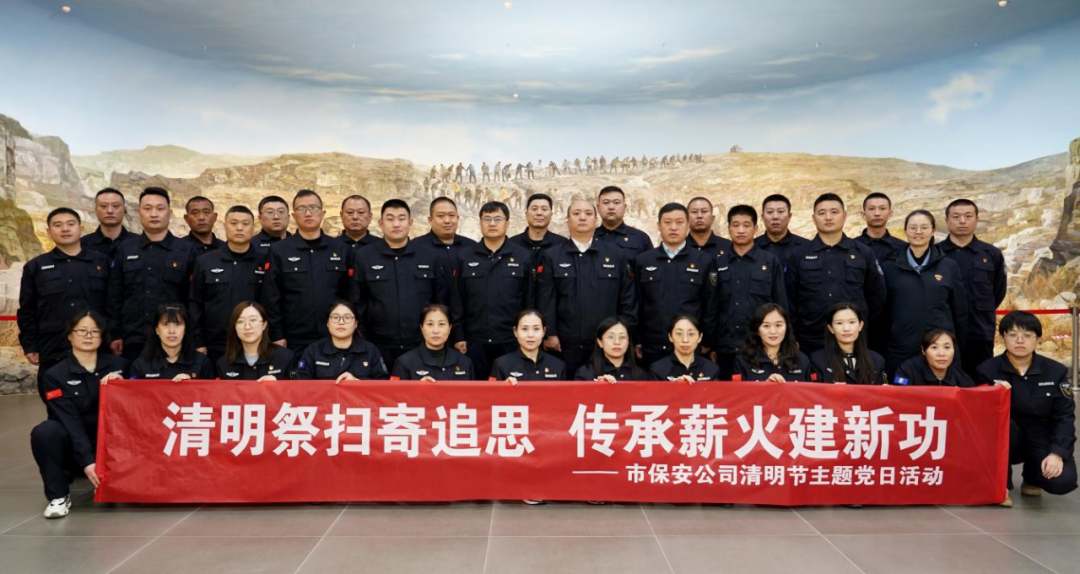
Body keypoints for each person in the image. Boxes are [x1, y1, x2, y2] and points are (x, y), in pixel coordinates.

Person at [30, 310, 127, 518]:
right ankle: (58, 497)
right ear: (69, 335)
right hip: (76, 446)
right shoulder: (55, 375)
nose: (88, 336)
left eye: (94, 331)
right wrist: (88, 461)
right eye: (82, 331)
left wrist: (125, 384)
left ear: (102, 335)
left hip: (113, 444)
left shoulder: (119, 366)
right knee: (45, 432)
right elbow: (69, 421)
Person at [976, 311, 1076, 503]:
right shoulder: (987, 370)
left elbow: (1064, 417)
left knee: (1062, 481)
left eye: (1027, 335)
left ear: (1038, 339)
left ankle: (1032, 475)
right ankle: (1000, 483)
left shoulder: (1055, 372)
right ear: (1003, 337)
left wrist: (1057, 454)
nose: (1020, 341)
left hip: (1040, 437)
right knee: (1002, 428)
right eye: (1013, 335)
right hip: (1005, 437)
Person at [536, 199, 638, 376]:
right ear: (568, 220)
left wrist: (623, 334)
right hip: (565, 344)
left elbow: (628, 299)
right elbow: (546, 299)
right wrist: (549, 334)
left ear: (596, 220)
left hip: (607, 344)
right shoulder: (552, 256)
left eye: (588, 214)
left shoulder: (616, 255)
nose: (582, 217)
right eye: (576, 214)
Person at [19, 208, 110, 401]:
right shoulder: (36, 267)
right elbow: (27, 310)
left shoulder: (101, 262)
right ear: (49, 231)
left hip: (97, 348)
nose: (65, 229)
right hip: (53, 347)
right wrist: (30, 345)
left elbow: (113, 303)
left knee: (100, 402)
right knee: (55, 402)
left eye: (70, 224)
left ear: (81, 228)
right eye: (58, 225)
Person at [785, 193, 886, 355]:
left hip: (853, 338)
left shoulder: (863, 253)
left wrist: (860, 324)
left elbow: (877, 295)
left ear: (844, 216)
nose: (828, 217)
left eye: (834, 212)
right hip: (811, 339)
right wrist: (794, 335)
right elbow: (790, 298)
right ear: (814, 218)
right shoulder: (799, 255)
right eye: (822, 213)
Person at [355, 199, 449, 368]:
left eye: (402, 218)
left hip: (421, 344)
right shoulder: (365, 256)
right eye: (390, 219)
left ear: (410, 223)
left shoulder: (429, 256)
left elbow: (440, 299)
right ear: (381, 224)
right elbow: (357, 301)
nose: (396, 224)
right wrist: (366, 340)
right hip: (378, 345)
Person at [106, 187, 197, 361]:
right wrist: (114, 334)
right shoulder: (125, 249)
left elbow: (194, 299)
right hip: (133, 340)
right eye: (147, 208)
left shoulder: (186, 251)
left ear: (170, 213)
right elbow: (114, 296)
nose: (154, 214)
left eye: (160, 208)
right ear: (139, 212)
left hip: (175, 342)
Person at [450, 201, 534, 378]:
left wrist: (526, 335)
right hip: (474, 340)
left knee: (510, 389)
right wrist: (458, 335)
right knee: (477, 389)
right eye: (487, 219)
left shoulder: (523, 256)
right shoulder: (465, 256)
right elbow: (457, 300)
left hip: (511, 340)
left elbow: (529, 300)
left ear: (507, 223)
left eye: (498, 219)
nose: (492, 223)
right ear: (480, 223)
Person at [261, 189, 352, 352]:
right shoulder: (279, 250)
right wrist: (276, 334)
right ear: (294, 215)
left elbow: (350, 294)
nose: (308, 213)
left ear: (323, 213)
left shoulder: (341, 249)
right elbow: (271, 296)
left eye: (313, 208)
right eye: (302, 209)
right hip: (293, 338)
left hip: (334, 336)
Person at [880, 210, 968, 376]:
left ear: (933, 231)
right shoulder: (889, 267)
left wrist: (956, 345)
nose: (918, 232)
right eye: (913, 228)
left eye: (924, 227)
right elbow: (882, 312)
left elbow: (960, 311)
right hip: (901, 347)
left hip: (939, 349)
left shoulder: (948, 266)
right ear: (905, 230)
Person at [634, 203, 716, 368]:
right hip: (652, 344)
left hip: (689, 344)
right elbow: (637, 302)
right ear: (659, 226)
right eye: (667, 222)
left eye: (679, 222)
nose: (673, 227)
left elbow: (710, 304)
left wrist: (707, 340)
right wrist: (637, 339)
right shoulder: (644, 260)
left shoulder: (703, 260)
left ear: (687, 225)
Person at [712, 205, 787, 378]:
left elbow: (780, 303)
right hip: (726, 345)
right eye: (735, 225)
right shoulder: (717, 262)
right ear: (728, 228)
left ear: (755, 228)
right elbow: (711, 305)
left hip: (761, 345)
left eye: (746, 225)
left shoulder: (769, 261)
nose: (741, 230)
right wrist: (712, 343)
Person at [188, 205, 268, 364]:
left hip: (255, 343)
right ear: (224, 226)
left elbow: (271, 301)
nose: (239, 228)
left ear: (253, 227)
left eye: (245, 224)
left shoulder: (264, 261)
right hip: (215, 344)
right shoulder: (205, 262)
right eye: (234, 223)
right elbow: (194, 303)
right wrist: (198, 341)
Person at [940, 198, 1007, 381]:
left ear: (977, 219)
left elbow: (998, 291)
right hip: (944, 330)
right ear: (947, 220)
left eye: (968, 216)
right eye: (956, 217)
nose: (962, 221)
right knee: (945, 382)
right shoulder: (936, 253)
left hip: (979, 329)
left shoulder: (991, 254)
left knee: (981, 379)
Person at [295, 301, 388, 381]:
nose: (341, 322)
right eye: (335, 318)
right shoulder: (313, 351)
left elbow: (382, 385)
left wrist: (358, 383)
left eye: (347, 318)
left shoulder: (371, 351)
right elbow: (301, 385)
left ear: (356, 323)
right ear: (327, 323)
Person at [130, 304, 215, 381]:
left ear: (185, 329)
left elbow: (210, 392)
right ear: (157, 330)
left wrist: (192, 385)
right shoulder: (141, 365)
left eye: (177, 324)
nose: (172, 331)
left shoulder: (202, 362)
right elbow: (132, 392)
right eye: (166, 324)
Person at [392, 304, 475, 381]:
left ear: (449, 328)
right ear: (422, 328)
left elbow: (472, 391)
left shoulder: (464, 362)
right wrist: (417, 388)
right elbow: (394, 392)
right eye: (430, 324)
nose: (436, 331)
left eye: (441, 324)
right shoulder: (404, 362)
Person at [808, 303, 886, 384]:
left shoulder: (876, 360)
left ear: (860, 325)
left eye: (852, 322)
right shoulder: (818, 360)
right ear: (831, 328)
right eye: (839, 323)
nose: (846, 328)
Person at [216, 301, 295, 380]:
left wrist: (278, 385)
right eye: (240, 321)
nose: (247, 327)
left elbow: (296, 386)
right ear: (234, 327)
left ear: (264, 325)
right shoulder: (224, 364)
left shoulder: (285, 358)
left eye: (253, 320)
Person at [733, 303, 811, 383]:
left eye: (778, 325)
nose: (773, 331)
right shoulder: (743, 360)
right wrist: (765, 387)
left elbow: (809, 390)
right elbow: (737, 391)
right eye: (766, 326)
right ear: (757, 330)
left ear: (787, 328)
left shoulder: (802, 360)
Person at [490, 310, 567, 384]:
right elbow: (490, 392)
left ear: (544, 331)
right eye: (524, 329)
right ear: (515, 331)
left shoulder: (558, 365)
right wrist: (503, 388)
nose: (530, 335)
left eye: (536, 329)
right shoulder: (501, 364)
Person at [648, 315, 721, 382]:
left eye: (691, 334)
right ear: (670, 336)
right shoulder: (657, 369)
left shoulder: (711, 369)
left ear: (700, 337)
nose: (685, 340)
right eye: (679, 334)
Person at [509, 193, 567, 276]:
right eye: (534, 209)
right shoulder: (511, 244)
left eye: (544, 209)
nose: (539, 213)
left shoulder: (563, 245)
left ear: (551, 215)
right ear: (526, 214)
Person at [574, 316, 648, 382]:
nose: (617, 342)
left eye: (622, 337)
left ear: (628, 342)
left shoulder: (641, 375)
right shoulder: (584, 374)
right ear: (600, 342)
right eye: (610, 337)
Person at [892, 329, 973, 387]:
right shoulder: (907, 370)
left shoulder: (963, 379)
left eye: (947, 347)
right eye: (934, 347)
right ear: (923, 350)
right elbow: (899, 394)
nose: (941, 354)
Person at [417, 197, 477, 276]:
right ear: (430, 220)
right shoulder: (415, 247)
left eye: (451, 215)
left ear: (457, 218)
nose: (447, 221)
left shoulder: (472, 247)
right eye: (441, 216)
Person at [594, 186, 653, 258]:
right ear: (598, 207)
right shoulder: (589, 237)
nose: (611, 207)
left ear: (625, 207)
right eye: (606, 202)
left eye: (616, 202)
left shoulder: (640, 238)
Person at [754, 194, 809, 265]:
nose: (775, 217)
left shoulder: (806, 247)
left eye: (780, 211)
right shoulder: (751, 247)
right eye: (770, 212)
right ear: (762, 217)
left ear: (789, 216)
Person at [81, 188, 134, 259]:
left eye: (115, 206)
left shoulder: (139, 243)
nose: (110, 211)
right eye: (103, 206)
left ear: (125, 209)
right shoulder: (82, 245)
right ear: (95, 210)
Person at [854, 192, 906, 263]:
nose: (877, 213)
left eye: (882, 208)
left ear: (890, 214)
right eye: (871, 209)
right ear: (863, 214)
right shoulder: (852, 247)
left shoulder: (903, 248)